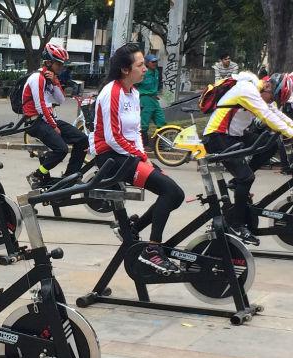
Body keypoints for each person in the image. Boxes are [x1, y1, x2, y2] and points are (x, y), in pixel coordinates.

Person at [93, 43, 185, 274]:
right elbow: (112, 137)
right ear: (125, 69)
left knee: (176, 195)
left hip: (129, 155)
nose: (146, 69)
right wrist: (140, 157)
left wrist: (143, 156)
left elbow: (134, 134)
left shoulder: (133, 93)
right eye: (140, 65)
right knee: (170, 191)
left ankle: (134, 227)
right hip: (111, 158)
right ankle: (153, 251)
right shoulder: (111, 92)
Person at [202, 71, 293, 244]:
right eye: (272, 98)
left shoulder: (261, 92)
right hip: (217, 137)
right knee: (246, 178)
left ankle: (238, 183)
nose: (272, 102)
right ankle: (236, 224)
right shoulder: (247, 89)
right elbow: (266, 116)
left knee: (271, 144)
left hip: (235, 136)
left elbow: (277, 114)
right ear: (267, 86)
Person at [24, 43, 88, 189]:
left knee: (83, 140)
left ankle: (70, 176)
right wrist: (54, 126)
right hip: (36, 122)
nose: (61, 67)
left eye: (62, 64)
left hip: (48, 120)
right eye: (58, 63)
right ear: (48, 62)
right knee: (62, 149)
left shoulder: (49, 79)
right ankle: (37, 175)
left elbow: (60, 100)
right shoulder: (37, 78)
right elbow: (40, 106)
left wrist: (55, 81)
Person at [135, 54, 165, 147]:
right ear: (147, 63)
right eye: (153, 62)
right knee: (144, 124)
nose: (155, 63)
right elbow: (134, 85)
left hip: (154, 99)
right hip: (145, 99)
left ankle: (160, 144)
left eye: (156, 61)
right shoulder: (143, 73)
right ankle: (144, 145)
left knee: (161, 121)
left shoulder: (156, 72)